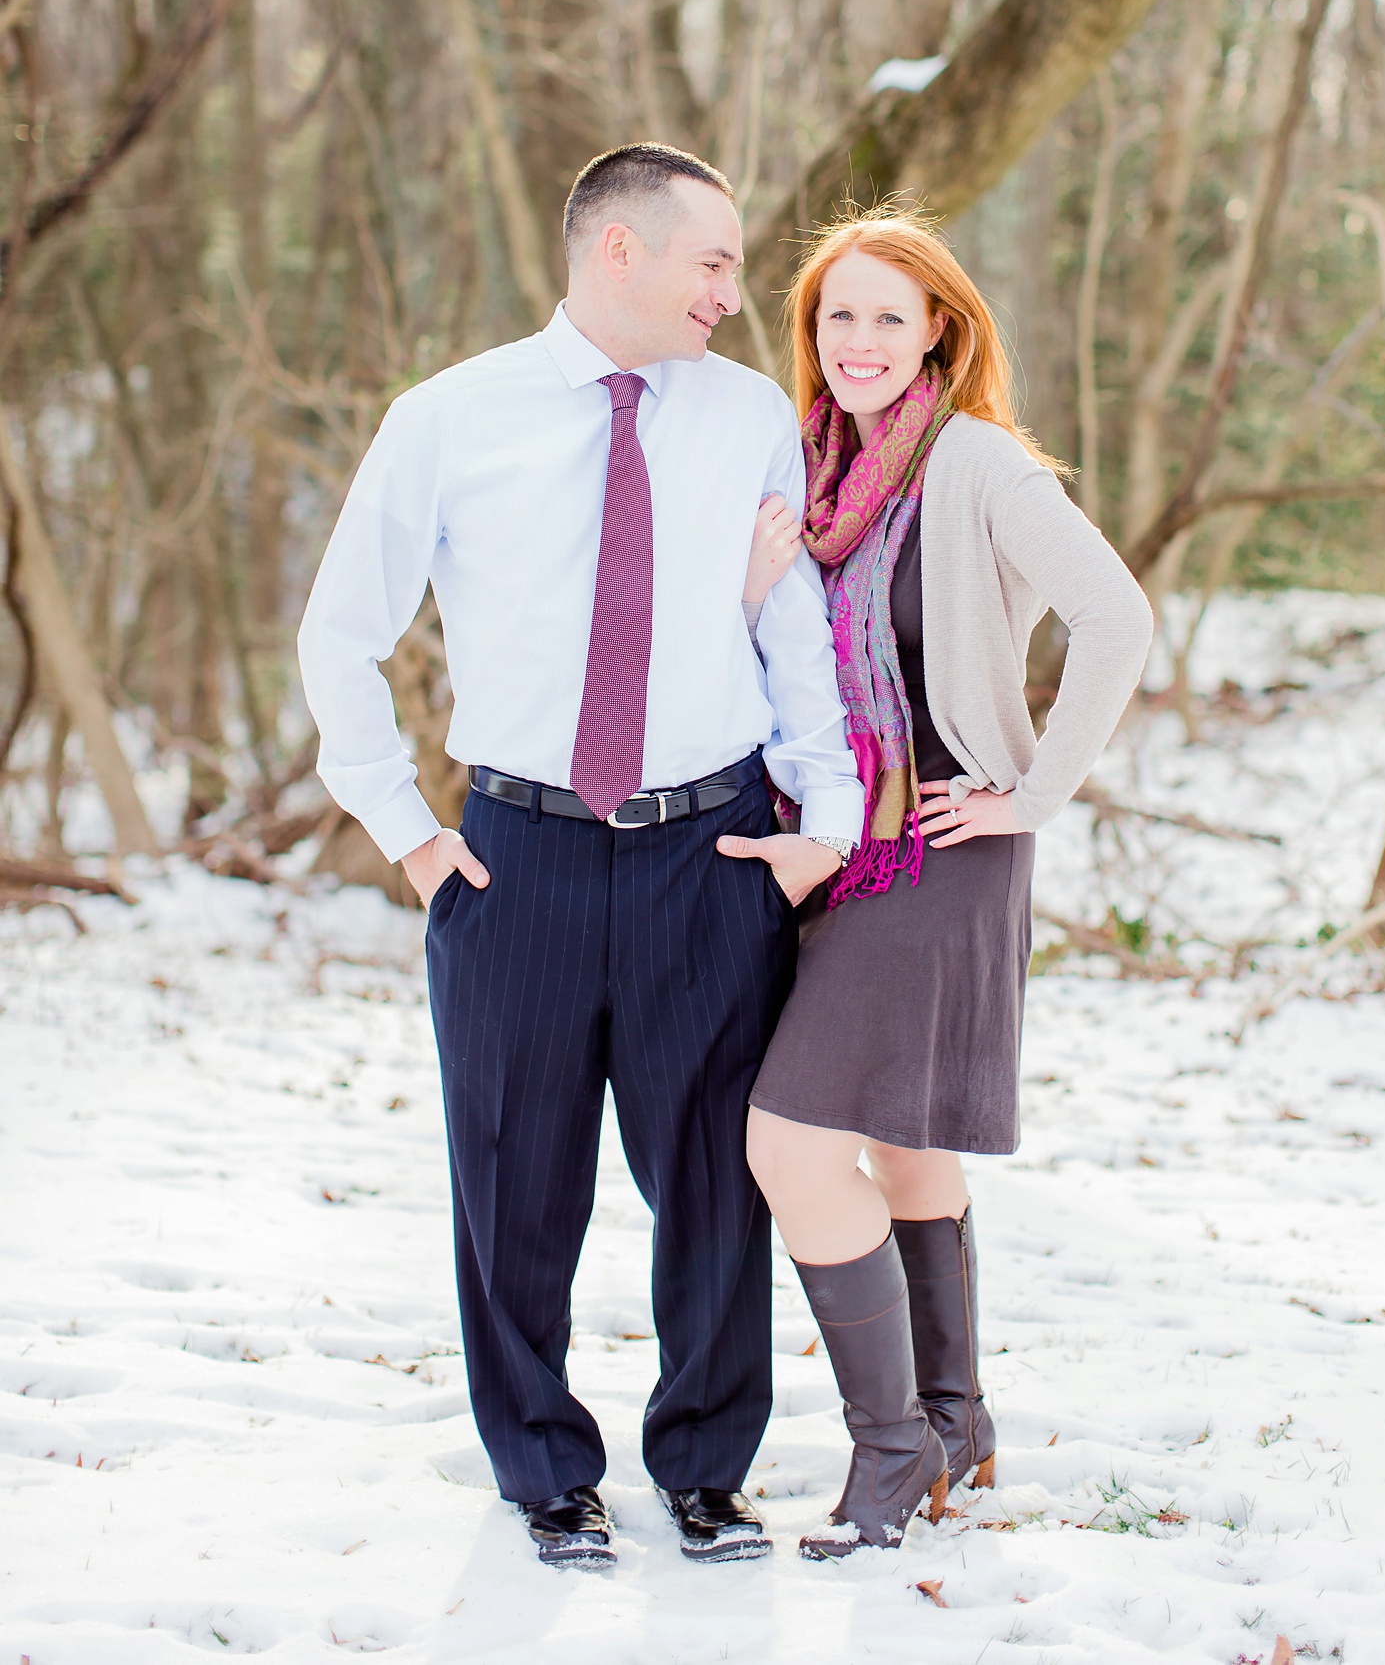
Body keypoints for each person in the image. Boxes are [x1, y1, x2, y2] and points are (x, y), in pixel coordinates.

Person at [297, 145, 863, 1571]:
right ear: (621, 250)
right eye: (716, 262)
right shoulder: (447, 419)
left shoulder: (746, 419)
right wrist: (411, 837)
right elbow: (338, 635)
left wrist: (827, 822)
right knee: (513, 1181)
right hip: (514, 860)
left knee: (716, 1188)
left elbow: (788, 627)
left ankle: (707, 1469)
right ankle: (545, 1469)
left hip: (712, 849)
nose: (739, 294)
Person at [717, 209, 1154, 1561]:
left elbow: (1118, 616)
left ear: (940, 336)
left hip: (944, 840)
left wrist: (1033, 790)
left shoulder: (975, 463)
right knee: (905, 1141)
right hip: (841, 836)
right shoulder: (816, 470)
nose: (857, 343)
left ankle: (891, 1449)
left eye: (886, 320)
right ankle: (955, 1422)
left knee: (789, 1142)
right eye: (835, 317)